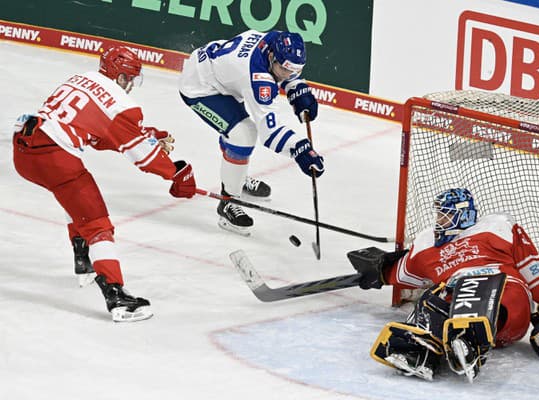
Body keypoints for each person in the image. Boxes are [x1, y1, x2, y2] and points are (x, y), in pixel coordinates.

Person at [12, 46, 197, 322]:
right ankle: (117, 297)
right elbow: (144, 157)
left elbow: (97, 136)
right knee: (97, 223)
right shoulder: (122, 103)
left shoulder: (81, 78)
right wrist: (176, 174)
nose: (130, 83)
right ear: (120, 76)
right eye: (128, 77)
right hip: (55, 158)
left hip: (24, 151)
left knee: (72, 195)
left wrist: (142, 134)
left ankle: (82, 256)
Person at [348, 188, 539, 382]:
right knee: (433, 298)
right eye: (439, 215)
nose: (440, 221)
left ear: (465, 216)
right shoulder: (426, 244)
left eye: (446, 215)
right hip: (456, 294)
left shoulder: (497, 227)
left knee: (482, 289)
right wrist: (379, 271)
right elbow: (402, 273)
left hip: (506, 292)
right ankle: (422, 352)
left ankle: (470, 338)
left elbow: (534, 266)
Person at [178, 29, 325, 236]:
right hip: (201, 87)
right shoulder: (258, 79)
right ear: (273, 57)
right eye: (285, 70)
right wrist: (299, 149)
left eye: (295, 71)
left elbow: (283, 70)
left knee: (238, 132)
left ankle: (236, 176)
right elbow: (270, 133)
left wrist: (295, 86)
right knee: (243, 134)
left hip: (221, 74)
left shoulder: (276, 40)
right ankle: (228, 202)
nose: (288, 75)